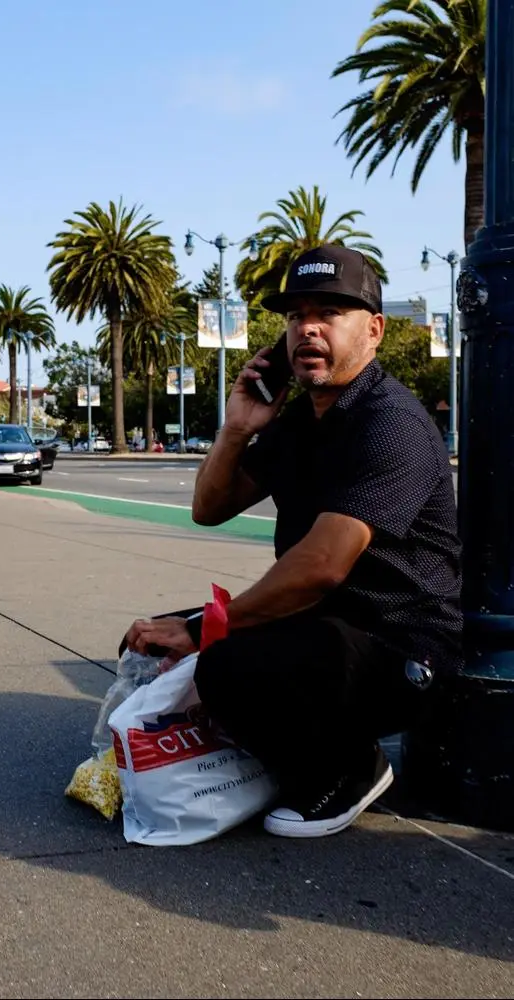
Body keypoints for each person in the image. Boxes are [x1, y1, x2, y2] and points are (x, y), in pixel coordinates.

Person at [125, 244, 463, 839]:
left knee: (227, 661)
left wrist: (208, 628)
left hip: (401, 646)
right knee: (152, 639)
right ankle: (280, 748)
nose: (307, 328)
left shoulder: (391, 423)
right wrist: (236, 429)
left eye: (328, 312)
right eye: (294, 315)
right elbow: (210, 508)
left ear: (374, 330)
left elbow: (322, 566)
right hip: (323, 626)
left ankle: (351, 769)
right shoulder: (297, 424)